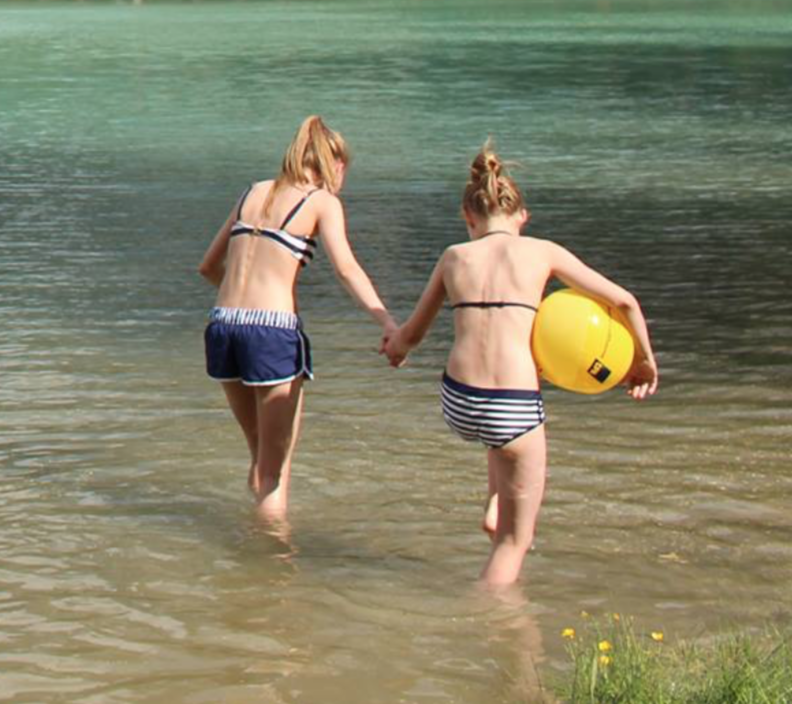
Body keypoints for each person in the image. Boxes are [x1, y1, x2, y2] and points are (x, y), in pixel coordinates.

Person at [383, 143, 658, 587]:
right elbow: (625, 301)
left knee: (499, 430)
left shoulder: (453, 257)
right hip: (510, 406)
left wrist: (394, 347)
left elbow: (411, 336)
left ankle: (496, 504)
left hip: (458, 402)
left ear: (467, 217)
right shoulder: (542, 252)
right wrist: (644, 362)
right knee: (516, 542)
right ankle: (492, 618)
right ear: (523, 217)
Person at [199, 116, 396, 522]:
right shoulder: (321, 202)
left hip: (222, 324)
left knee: (259, 453)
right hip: (271, 331)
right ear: (335, 164)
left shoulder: (252, 192)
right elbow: (347, 269)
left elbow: (208, 267)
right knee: (275, 471)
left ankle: (250, 541)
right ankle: (275, 553)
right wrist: (387, 323)